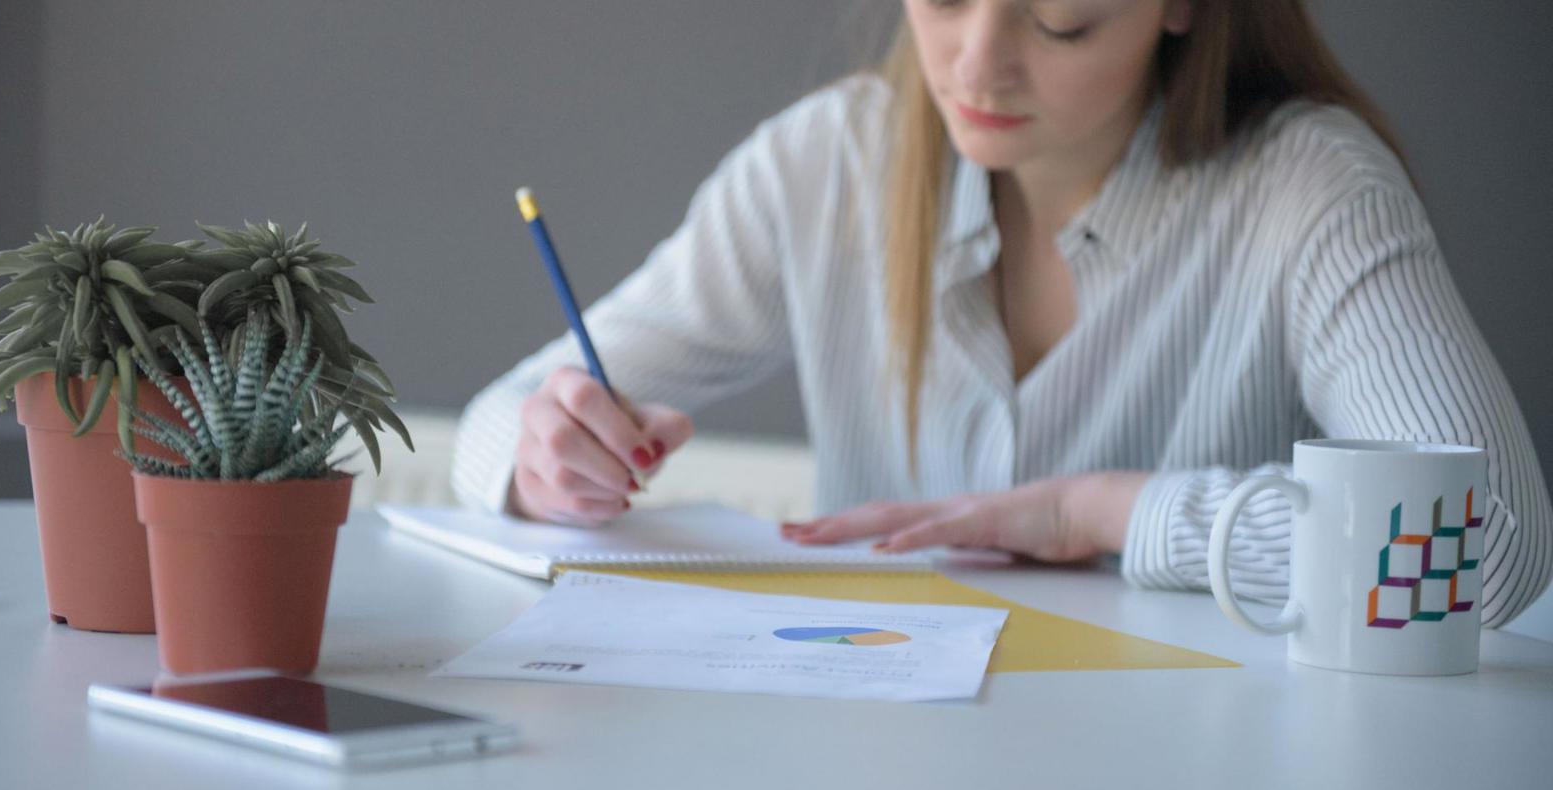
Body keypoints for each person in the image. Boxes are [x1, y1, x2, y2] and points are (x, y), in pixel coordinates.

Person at [452, 0, 1550, 627]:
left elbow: (1491, 549)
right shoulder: (832, 160)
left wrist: (1117, 514)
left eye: (1061, 20)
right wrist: (546, 456)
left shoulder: (1309, 193)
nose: (975, 62)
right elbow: (501, 420)